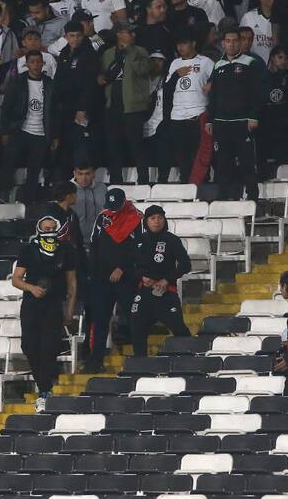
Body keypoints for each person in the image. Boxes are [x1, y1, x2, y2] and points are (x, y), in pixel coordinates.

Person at [11, 215, 77, 412]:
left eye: (52, 227)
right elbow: (16, 279)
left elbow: (72, 282)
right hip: (32, 304)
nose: (49, 231)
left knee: (49, 347)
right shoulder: (29, 249)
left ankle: (45, 391)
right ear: (39, 229)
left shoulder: (66, 250)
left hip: (54, 304)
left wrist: (70, 309)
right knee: (29, 346)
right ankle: (43, 386)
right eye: (45, 228)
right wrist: (31, 288)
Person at [84, 188, 143, 372]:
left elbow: (140, 248)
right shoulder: (102, 218)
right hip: (101, 280)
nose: (113, 211)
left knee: (134, 317)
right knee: (100, 320)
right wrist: (92, 273)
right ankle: (95, 362)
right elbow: (94, 245)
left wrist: (123, 268)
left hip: (127, 279)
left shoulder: (137, 218)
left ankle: (141, 358)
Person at [130, 205, 191, 357]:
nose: (156, 221)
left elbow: (186, 265)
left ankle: (188, 360)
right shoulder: (138, 241)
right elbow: (129, 266)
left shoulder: (172, 240)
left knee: (179, 329)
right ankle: (140, 363)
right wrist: (141, 277)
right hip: (144, 291)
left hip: (167, 291)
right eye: (152, 218)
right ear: (146, 221)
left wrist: (166, 280)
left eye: (160, 218)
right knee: (136, 326)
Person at [206, 29, 260, 201]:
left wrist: (253, 116)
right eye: (228, 41)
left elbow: (257, 92)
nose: (231, 44)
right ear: (223, 43)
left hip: (242, 122)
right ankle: (223, 198)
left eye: (235, 41)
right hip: (221, 123)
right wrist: (209, 120)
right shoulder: (218, 65)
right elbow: (213, 95)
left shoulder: (250, 62)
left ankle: (253, 198)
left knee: (246, 163)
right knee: (222, 163)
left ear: (240, 42)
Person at [0, 50, 55, 205]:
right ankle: (2, 194)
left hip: (41, 133)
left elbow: (55, 111)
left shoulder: (50, 84)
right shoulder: (17, 82)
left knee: (34, 170)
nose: (36, 65)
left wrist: (54, 135)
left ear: (43, 64)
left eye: (38, 62)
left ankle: (29, 201)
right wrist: (4, 131)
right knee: (9, 162)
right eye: (32, 62)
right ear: (27, 64)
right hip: (20, 130)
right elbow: (7, 108)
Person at [98, 22, 152, 184]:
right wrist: (99, 77)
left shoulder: (141, 51)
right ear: (119, 35)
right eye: (129, 33)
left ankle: (143, 181)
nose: (133, 35)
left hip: (133, 108)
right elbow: (101, 74)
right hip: (112, 106)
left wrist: (129, 52)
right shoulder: (108, 54)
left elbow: (143, 70)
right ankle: (116, 181)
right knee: (113, 147)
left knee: (137, 146)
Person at [162, 28, 213, 184]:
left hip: (198, 116)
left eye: (184, 43)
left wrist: (212, 85)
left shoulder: (206, 62)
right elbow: (167, 89)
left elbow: (217, 84)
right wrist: (177, 74)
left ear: (193, 43)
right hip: (177, 117)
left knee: (200, 157)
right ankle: (185, 189)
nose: (180, 47)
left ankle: (202, 189)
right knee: (182, 157)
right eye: (178, 44)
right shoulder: (174, 63)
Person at [52, 20, 99, 181]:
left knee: (81, 146)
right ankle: (64, 184)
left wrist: (82, 108)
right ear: (65, 36)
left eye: (78, 35)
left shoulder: (89, 54)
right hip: (64, 110)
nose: (75, 39)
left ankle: (83, 182)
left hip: (81, 110)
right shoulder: (64, 54)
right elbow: (58, 81)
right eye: (71, 36)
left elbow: (90, 84)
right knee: (64, 148)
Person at [258, 46, 288, 180]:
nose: (284, 61)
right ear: (272, 57)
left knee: (283, 163)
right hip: (264, 128)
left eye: (286, 58)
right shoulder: (262, 79)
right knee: (262, 162)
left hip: (285, 129)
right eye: (280, 57)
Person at [72, 161, 106, 252]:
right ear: (74, 173)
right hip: (75, 243)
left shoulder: (102, 188)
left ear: (93, 174)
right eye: (80, 174)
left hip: (100, 242)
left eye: (87, 174)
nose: (84, 178)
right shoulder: (68, 190)